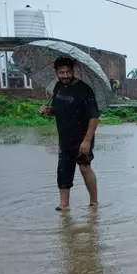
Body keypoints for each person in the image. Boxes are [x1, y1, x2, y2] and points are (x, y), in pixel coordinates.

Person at [39, 57, 100, 211]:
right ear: (56, 73)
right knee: (63, 169)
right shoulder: (58, 87)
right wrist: (48, 110)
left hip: (82, 137)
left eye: (68, 72)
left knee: (85, 167)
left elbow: (94, 117)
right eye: (61, 72)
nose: (65, 75)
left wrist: (87, 141)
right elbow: (57, 109)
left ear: (73, 71)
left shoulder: (84, 90)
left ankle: (94, 203)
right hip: (64, 138)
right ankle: (64, 205)